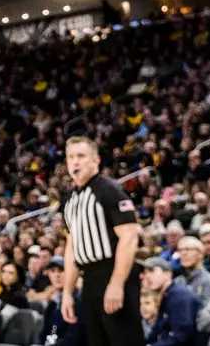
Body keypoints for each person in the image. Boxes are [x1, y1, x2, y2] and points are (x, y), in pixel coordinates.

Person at [61, 137, 145, 346]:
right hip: (89, 278)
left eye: (81, 156)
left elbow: (129, 236)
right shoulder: (68, 199)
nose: (75, 162)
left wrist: (117, 283)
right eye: (71, 157)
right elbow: (71, 248)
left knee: (124, 339)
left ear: (96, 160)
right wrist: (67, 293)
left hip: (115, 271)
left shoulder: (109, 189)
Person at [140, 260, 199, 346]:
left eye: (152, 271)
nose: (147, 276)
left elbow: (182, 336)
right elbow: (157, 331)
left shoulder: (179, 295)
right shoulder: (167, 295)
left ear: (168, 274)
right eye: (145, 272)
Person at [175, 239, 210, 305]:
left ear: (201, 253)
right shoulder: (177, 282)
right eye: (180, 250)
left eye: (188, 249)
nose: (183, 253)